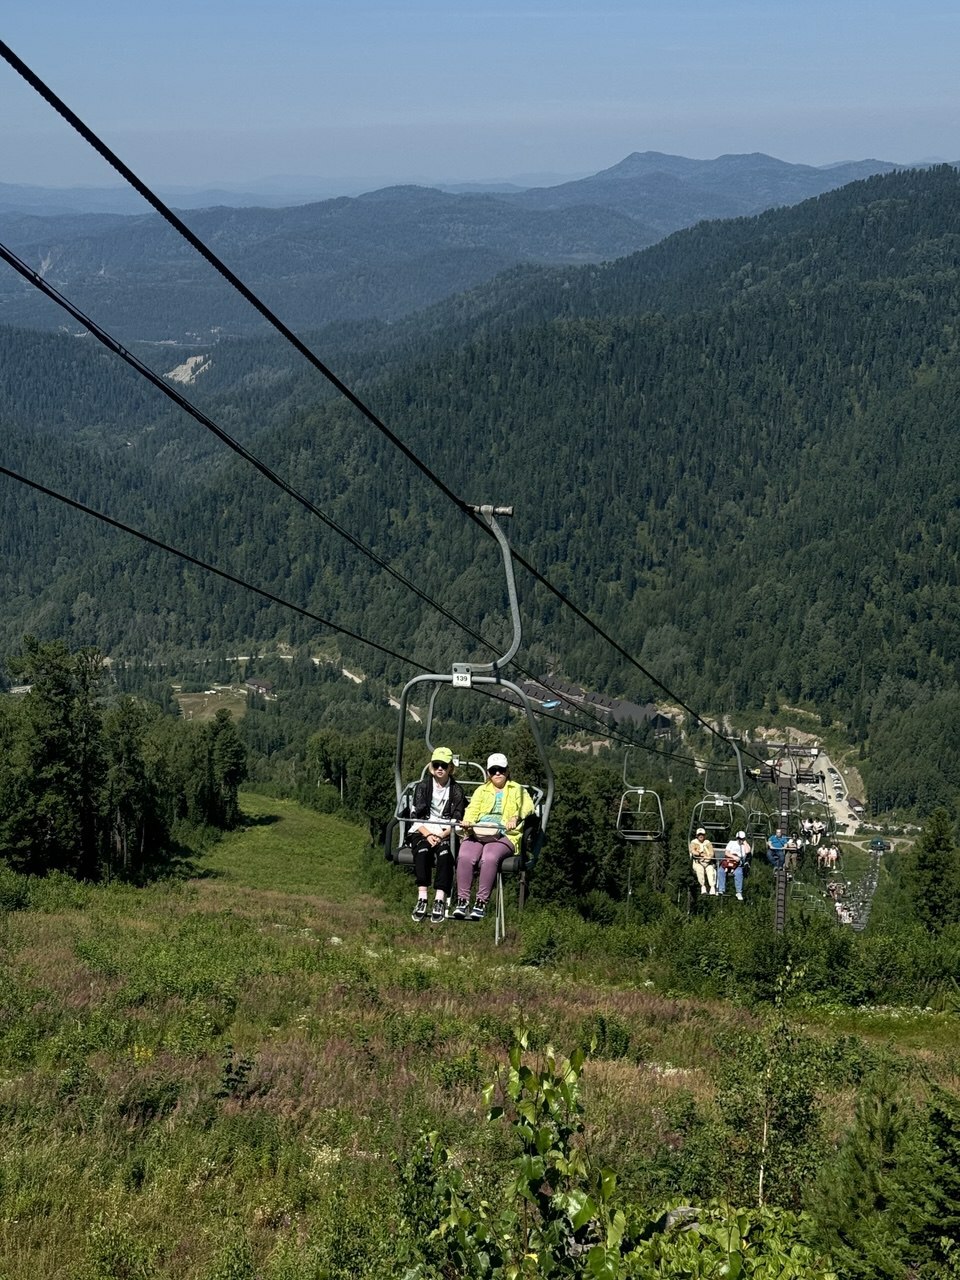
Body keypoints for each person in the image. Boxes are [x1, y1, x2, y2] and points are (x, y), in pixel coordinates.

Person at [453, 752, 534, 922]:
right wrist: (468, 821)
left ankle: (481, 902)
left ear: (507, 771)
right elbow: (473, 809)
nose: (497, 773)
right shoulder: (482, 790)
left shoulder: (517, 790)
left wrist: (516, 817)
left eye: (501, 770)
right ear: (488, 773)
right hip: (480, 831)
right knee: (465, 855)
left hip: (505, 834)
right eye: (493, 770)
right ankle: (462, 900)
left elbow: (527, 806)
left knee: (489, 857)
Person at [408, 747, 466, 924]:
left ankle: (440, 898)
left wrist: (442, 835)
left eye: (444, 765)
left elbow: (457, 818)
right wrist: (427, 835)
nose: (440, 768)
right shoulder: (423, 787)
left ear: (450, 768)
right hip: (423, 829)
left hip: (446, 830)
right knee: (422, 851)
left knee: (445, 854)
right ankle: (422, 897)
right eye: (436, 765)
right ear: (432, 767)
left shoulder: (456, 790)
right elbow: (415, 816)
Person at [718, 830, 750, 900]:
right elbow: (726, 853)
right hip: (729, 861)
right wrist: (734, 857)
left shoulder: (744, 846)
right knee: (721, 871)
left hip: (737, 864)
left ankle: (738, 892)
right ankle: (721, 889)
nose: (741, 840)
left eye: (742, 839)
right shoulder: (731, 843)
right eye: (740, 839)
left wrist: (745, 842)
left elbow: (747, 851)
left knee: (739, 873)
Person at [689, 827, 717, 895]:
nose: (701, 836)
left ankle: (712, 887)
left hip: (707, 862)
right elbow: (693, 851)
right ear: (697, 835)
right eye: (699, 835)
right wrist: (701, 854)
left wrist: (708, 857)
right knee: (699, 869)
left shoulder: (707, 843)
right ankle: (703, 886)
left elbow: (711, 853)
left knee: (710, 869)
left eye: (702, 834)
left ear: (704, 835)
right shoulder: (693, 842)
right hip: (698, 862)